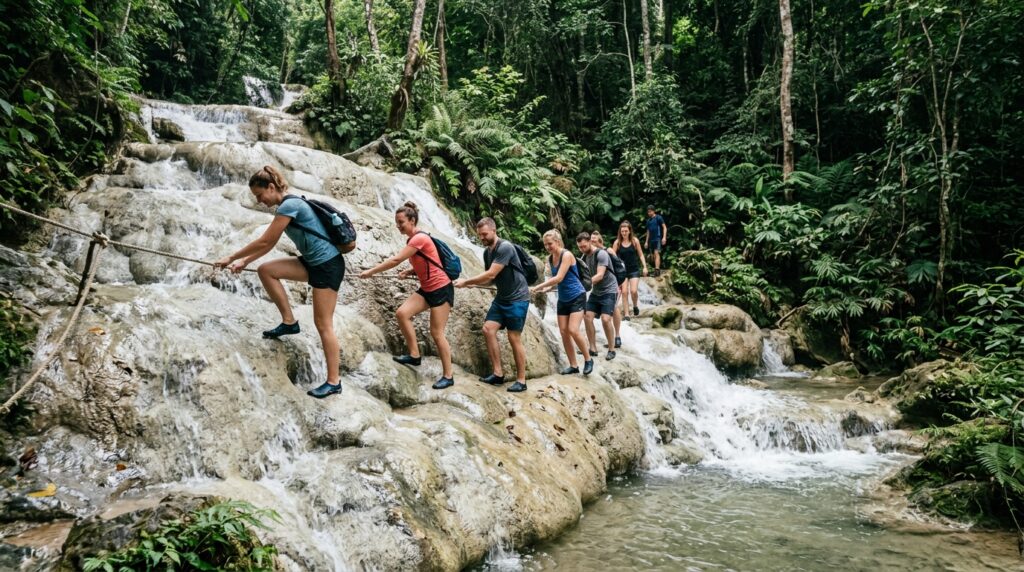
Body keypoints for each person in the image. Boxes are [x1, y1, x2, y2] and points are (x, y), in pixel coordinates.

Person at [214, 166, 345, 399]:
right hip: (313, 262)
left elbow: (266, 241)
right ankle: (289, 322)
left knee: (323, 324)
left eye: (259, 195)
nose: (259, 200)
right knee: (266, 270)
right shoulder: (287, 205)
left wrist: (233, 257)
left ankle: (334, 382)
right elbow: (269, 246)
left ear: (271, 187)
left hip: (327, 265)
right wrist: (245, 262)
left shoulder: (289, 205)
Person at [358, 202, 455, 390]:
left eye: (401, 222)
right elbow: (427, 261)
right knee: (402, 314)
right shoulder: (415, 239)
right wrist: (410, 272)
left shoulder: (419, 238)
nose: (398, 225)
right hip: (428, 288)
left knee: (436, 333)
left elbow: (396, 260)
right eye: (397, 222)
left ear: (412, 220)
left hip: (441, 289)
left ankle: (448, 376)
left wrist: (371, 271)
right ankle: (414, 355)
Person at [453, 218, 530, 392]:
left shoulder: (505, 247)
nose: (482, 237)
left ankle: (521, 380)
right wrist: (474, 284)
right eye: (479, 235)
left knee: (513, 338)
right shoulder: (488, 252)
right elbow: (492, 279)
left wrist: (466, 281)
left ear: (494, 231)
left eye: (485, 234)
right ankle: (498, 373)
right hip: (502, 299)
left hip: (518, 299)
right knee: (488, 329)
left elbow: (490, 274)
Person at [530, 229, 592, 375]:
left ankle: (588, 360)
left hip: (577, 296)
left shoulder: (567, 255)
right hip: (563, 298)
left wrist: (539, 286)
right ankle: (573, 365)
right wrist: (547, 288)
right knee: (564, 332)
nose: (547, 247)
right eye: (545, 244)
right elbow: (558, 281)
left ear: (557, 242)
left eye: (550, 244)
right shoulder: (551, 258)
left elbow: (559, 277)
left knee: (573, 330)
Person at [577, 231, 619, 361]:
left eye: (584, 246)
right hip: (596, 292)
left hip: (610, 290)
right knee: (587, 316)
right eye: (580, 247)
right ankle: (593, 348)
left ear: (590, 242)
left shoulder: (601, 254)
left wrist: (583, 285)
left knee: (606, 319)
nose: (582, 249)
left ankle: (611, 349)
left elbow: (600, 275)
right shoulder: (583, 257)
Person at [591, 231, 623, 350]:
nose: (591, 241)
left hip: (614, 284)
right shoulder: (591, 253)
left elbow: (618, 266)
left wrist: (619, 284)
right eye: (591, 239)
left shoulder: (608, 250)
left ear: (599, 240)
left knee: (614, 308)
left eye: (594, 240)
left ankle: (617, 336)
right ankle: (613, 338)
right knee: (611, 310)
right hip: (600, 287)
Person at [610, 221, 648, 319]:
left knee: (634, 291)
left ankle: (635, 306)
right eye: (622, 231)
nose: (624, 233)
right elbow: (612, 257)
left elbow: (640, 254)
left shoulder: (635, 241)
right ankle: (626, 314)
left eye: (626, 231)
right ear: (620, 232)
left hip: (634, 269)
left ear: (630, 231)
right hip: (622, 271)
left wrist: (644, 266)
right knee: (624, 292)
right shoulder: (617, 243)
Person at [644, 205, 667, 275]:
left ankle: (657, 269)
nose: (649, 213)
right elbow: (648, 232)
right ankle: (655, 268)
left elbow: (664, 227)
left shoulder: (658, 218)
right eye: (648, 212)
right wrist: (646, 242)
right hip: (651, 240)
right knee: (653, 255)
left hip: (657, 238)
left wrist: (664, 237)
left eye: (650, 211)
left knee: (656, 253)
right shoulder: (648, 221)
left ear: (654, 211)